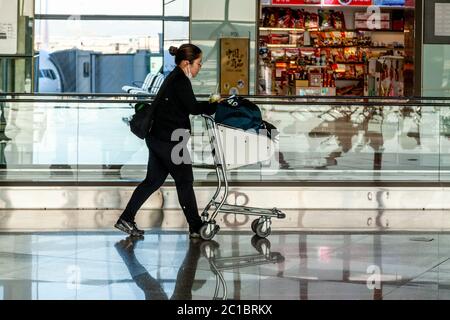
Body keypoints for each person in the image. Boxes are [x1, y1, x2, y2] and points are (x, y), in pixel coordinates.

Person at [115, 44, 219, 238]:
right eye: (198, 63)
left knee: (153, 181)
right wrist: (214, 104)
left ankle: (126, 218)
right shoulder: (180, 80)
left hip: (158, 137)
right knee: (185, 180)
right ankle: (196, 227)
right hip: (171, 140)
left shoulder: (173, 77)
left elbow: (183, 106)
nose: (200, 67)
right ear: (187, 63)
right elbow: (193, 107)